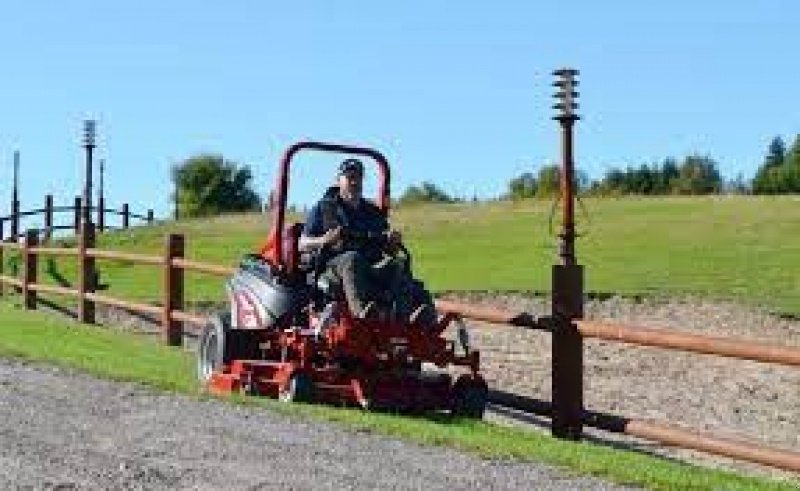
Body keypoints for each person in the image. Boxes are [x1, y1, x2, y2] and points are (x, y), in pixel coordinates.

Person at [299, 158, 435, 325]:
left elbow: (387, 248)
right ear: (339, 180)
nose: (355, 182)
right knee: (352, 259)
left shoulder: (372, 212)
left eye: (358, 178)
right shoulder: (324, 208)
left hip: (369, 267)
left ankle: (404, 319)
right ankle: (363, 316)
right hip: (333, 268)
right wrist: (323, 240)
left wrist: (392, 243)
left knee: (396, 264)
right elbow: (302, 243)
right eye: (350, 178)